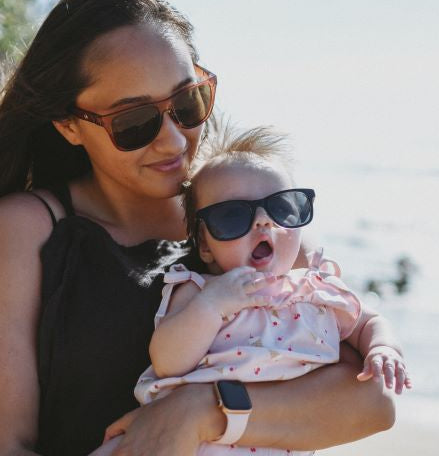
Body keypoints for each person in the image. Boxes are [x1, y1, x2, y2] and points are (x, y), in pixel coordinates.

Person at [0, 0, 396, 456]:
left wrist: (199, 413)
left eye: (188, 104)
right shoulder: (28, 230)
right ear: (68, 126)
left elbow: (372, 401)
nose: (173, 140)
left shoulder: (252, 223)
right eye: (133, 122)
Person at [91, 126, 410, 455]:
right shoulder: (201, 291)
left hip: (276, 434)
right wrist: (213, 307)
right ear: (204, 245)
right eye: (232, 216)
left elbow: (369, 322)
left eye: (282, 208)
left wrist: (383, 349)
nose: (263, 222)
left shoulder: (315, 290)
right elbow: (169, 362)